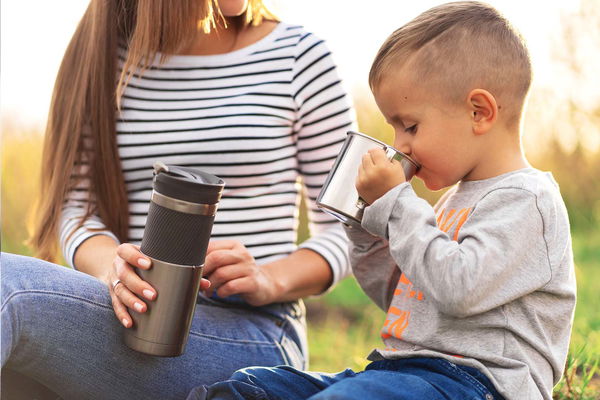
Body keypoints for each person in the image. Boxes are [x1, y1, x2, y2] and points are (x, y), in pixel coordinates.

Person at [191, 2, 577, 400]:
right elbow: (401, 298)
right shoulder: (451, 202)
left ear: (479, 112)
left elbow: (458, 290)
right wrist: (365, 231)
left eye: (410, 126)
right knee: (254, 387)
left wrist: (397, 201)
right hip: (402, 372)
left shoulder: (528, 200)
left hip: (478, 383)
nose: (399, 145)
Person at [1, 0, 357, 398]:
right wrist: (114, 272)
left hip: (255, 330)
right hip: (135, 319)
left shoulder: (298, 56)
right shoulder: (103, 59)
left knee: (7, 287)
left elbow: (351, 230)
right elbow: (76, 210)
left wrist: (269, 279)